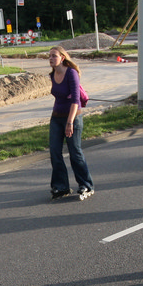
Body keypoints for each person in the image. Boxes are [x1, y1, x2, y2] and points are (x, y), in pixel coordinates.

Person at [47, 46, 94, 200]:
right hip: (56, 118)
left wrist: (70, 123)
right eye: (49, 56)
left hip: (73, 117)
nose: (51, 59)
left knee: (75, 152)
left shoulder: (71, 73)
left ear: (62, 58)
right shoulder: (53, 74)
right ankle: (61, 187)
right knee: (55, 152)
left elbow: (75, 100)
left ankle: (86, 185)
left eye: (54, 56)